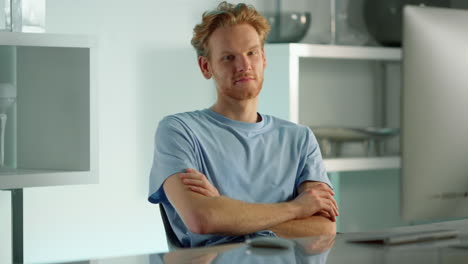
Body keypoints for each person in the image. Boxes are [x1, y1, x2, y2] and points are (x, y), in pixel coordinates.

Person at [148, 1, 339, 248]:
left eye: (252, 53)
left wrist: (227, 210)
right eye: (228, 57)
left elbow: (324, 227)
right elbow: (203, 219)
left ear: (264, 58)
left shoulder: (299, 139)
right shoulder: (179, 131)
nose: (244, 66)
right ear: (206, 67)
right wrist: (297, 208)